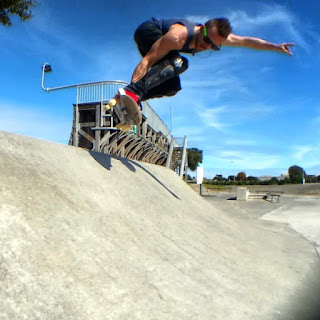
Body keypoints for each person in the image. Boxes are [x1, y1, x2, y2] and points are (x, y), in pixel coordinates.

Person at [113, 17, 294, 105]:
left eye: (214, 47)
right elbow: (148, 61)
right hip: (147, 30)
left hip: (165, 46)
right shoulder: (178, 36)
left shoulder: (218, 38)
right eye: (206, 41)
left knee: (172, 87)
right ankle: (132, 93)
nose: (207, 47)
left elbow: (247, 41)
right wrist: (130, 88)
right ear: (202, 29)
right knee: (179, 63)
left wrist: (275, 46)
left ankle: (133, 102)